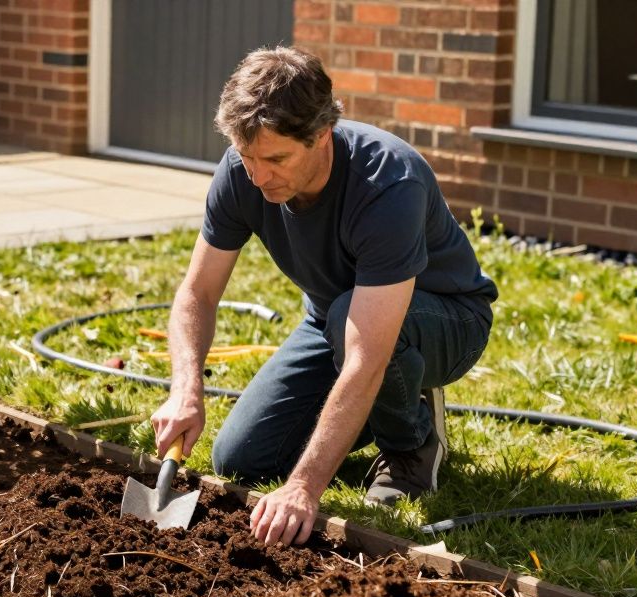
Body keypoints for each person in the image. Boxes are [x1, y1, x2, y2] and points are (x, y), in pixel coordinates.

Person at [150, 46, 498, 548]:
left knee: (350, 328)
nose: (258, 176)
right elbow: (197, 293)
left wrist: (304, 487)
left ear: (321, 134)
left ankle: (411, 446)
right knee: (241, 460)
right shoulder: (241, 170)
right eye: (246, 157)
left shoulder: (388, 182)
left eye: (275, 159)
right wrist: (186, 388)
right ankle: (382, 407)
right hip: (336, 321)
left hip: (445, 320)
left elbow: (365, 355)